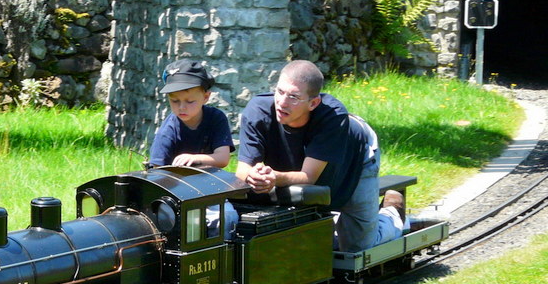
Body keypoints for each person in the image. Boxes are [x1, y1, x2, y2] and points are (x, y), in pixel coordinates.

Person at [235, 60, 404, 253]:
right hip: (303, 165)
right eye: (280, 92)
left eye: (294, 97)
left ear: (313, 103)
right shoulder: (257, 111)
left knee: (358, 248)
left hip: (357, 157)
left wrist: (274, 177)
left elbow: (309, 178)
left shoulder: (333, 117)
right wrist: (255, 175)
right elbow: (243, 170)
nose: (282, 102)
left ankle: (392, 215)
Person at [149, 59, 238, 237]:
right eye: (175, 101)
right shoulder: (169, 129)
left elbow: (223, 159)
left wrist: (196, 158)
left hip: (209, 189)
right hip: (175, 194)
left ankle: (221, 258)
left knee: (228, 217)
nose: (182, 107)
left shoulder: (216, 119)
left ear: (206, 97)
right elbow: (156, 172)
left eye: (190, 101)